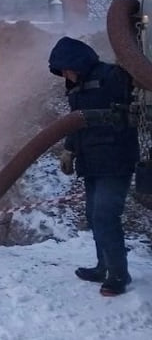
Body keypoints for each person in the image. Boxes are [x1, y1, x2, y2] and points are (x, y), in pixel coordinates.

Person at [48, 36, 139, 296]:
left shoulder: (113, 76)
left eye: (66, 68)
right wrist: (69, 149)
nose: (65, 74)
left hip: (116, 159)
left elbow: (135, 108)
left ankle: (119, 275)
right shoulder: (75, 89)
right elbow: (76, 123)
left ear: (77, 62)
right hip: (91, 162)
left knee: (105, 216)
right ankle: (103, 267)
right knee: (93, 215)